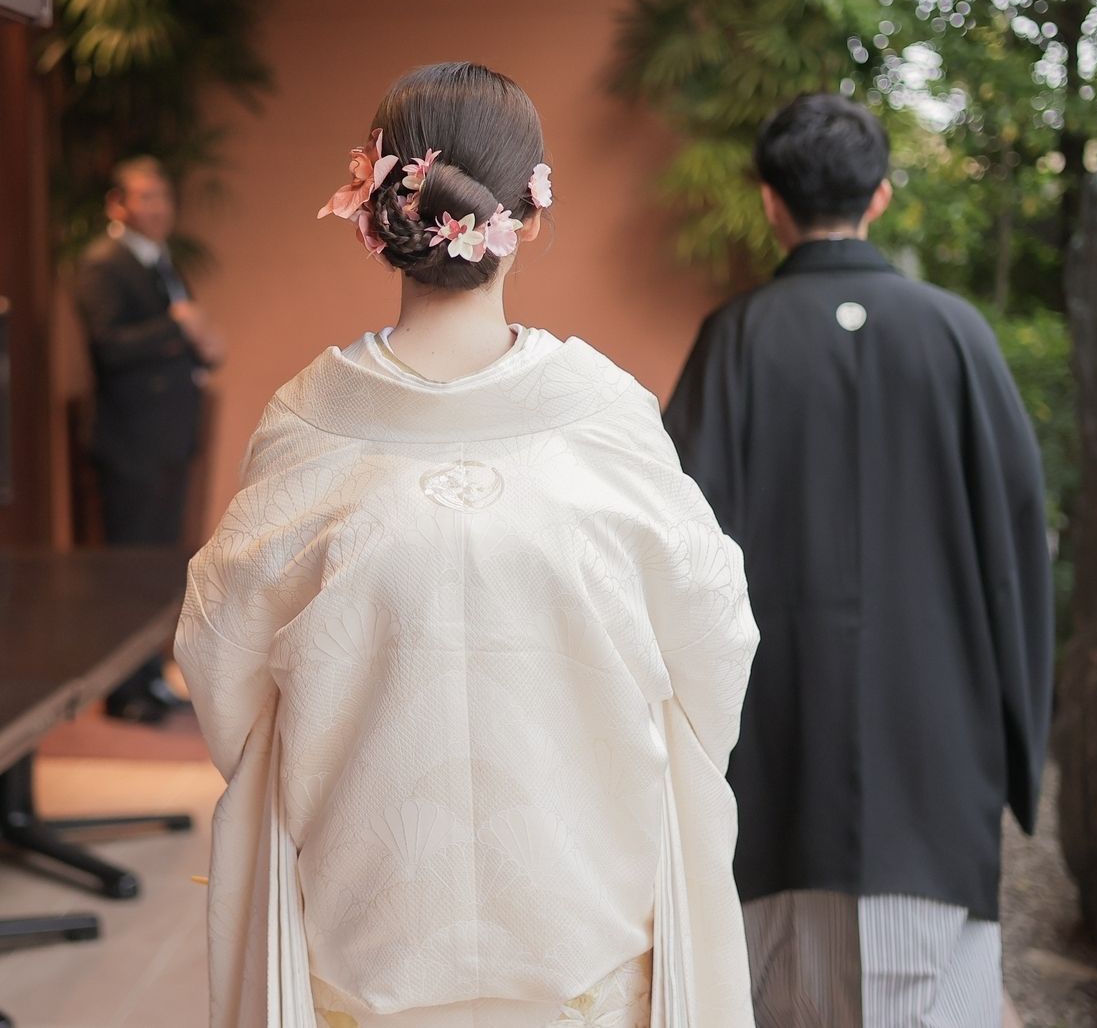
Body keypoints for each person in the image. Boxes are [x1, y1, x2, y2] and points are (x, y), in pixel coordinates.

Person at [175, 62, 759, 1028]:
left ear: (373, 208)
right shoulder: (604, 419)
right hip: (584, 940)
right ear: (531, 210)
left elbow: (221, 663)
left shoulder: (310, 425)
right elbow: (714, 649)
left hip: (366, 939)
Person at [664, 93, 1054, 1028]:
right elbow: (1016, 559)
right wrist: (1016, 747)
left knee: (784, 995)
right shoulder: (958, 337)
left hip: (777, 760)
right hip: (937, 761)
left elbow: (676, 560)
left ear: (770, 201)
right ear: (880, 196)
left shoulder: (734, 342)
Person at [75, 156, 225, 723]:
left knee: (158, 569)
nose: (159, 207)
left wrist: (202, 351)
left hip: (166, 438)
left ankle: (148, 677)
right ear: (117, 204)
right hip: (130, 443)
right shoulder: (103, 262)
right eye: (146, 197)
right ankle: (123, 691)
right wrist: (178, 328)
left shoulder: (159, 260)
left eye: (164, 196)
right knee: (127, 573)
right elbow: (109, 346)